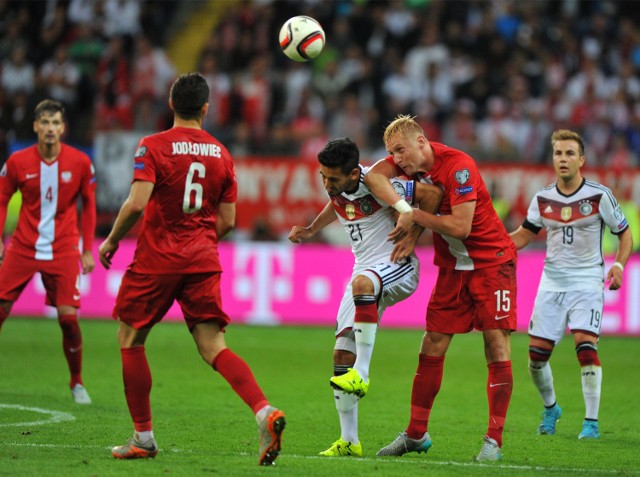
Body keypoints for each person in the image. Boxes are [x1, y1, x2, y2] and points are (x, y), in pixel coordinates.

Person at [97, 72, 285, 464]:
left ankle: (143, 438)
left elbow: (136, 202)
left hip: (157, 260)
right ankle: (264, 411)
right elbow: (229, 221)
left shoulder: (152, 146)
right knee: (214, 346)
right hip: (203, 258)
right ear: (205, 107)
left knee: (131, 338)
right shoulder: (222, 152)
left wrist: (112, 240)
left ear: (171, 105)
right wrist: (197, 240)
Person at [364, 114, 518, 461]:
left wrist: (415, 217)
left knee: (495, 344)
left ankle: (494, 440)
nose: (398, 160)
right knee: (431, 343)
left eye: (401, 150)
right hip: (453, 268)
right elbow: (373, 175)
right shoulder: (406, 165)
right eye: (393, 153)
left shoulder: (459, 166)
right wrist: (405, 206)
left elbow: (461, 227)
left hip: (491, 263)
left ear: (422, 142)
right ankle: (416, 433)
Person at [288, 138, 442, 457]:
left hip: (397, 265)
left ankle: (364, 373)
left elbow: (433, 194)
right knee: (341, 353)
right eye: (323, 177)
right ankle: (350, 441)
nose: (327, 184)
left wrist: (413, 235)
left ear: (353, 172)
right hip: (365, 273)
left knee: (361, 284)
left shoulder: (378, 183)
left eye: (333, 178)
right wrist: (311, 229)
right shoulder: (338, 189)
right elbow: (337, 205)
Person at [510, 129, 632, 440]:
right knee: (536, 359)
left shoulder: (599, 195)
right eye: (558, 154)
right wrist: (494, 244)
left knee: (586, 348)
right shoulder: (543, 198)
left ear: (582, 159)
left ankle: (591, 422)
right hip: (551, 282)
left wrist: (618, 264)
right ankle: (551, 408)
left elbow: (624, 232)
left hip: (587, 282)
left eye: (569, 154)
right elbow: (524, 235)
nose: (562, 159)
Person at [0, 99, 96, 405]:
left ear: (63, 128)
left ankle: (77, 382)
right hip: (24, 246)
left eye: (56, 123)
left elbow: (89, 204)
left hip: (64, 247)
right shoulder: (17, 162)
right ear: (35, 127)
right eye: (45, 122)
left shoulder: (80, 162)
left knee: (69, 320)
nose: (50, 129)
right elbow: (2, 199)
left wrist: (87, 249)